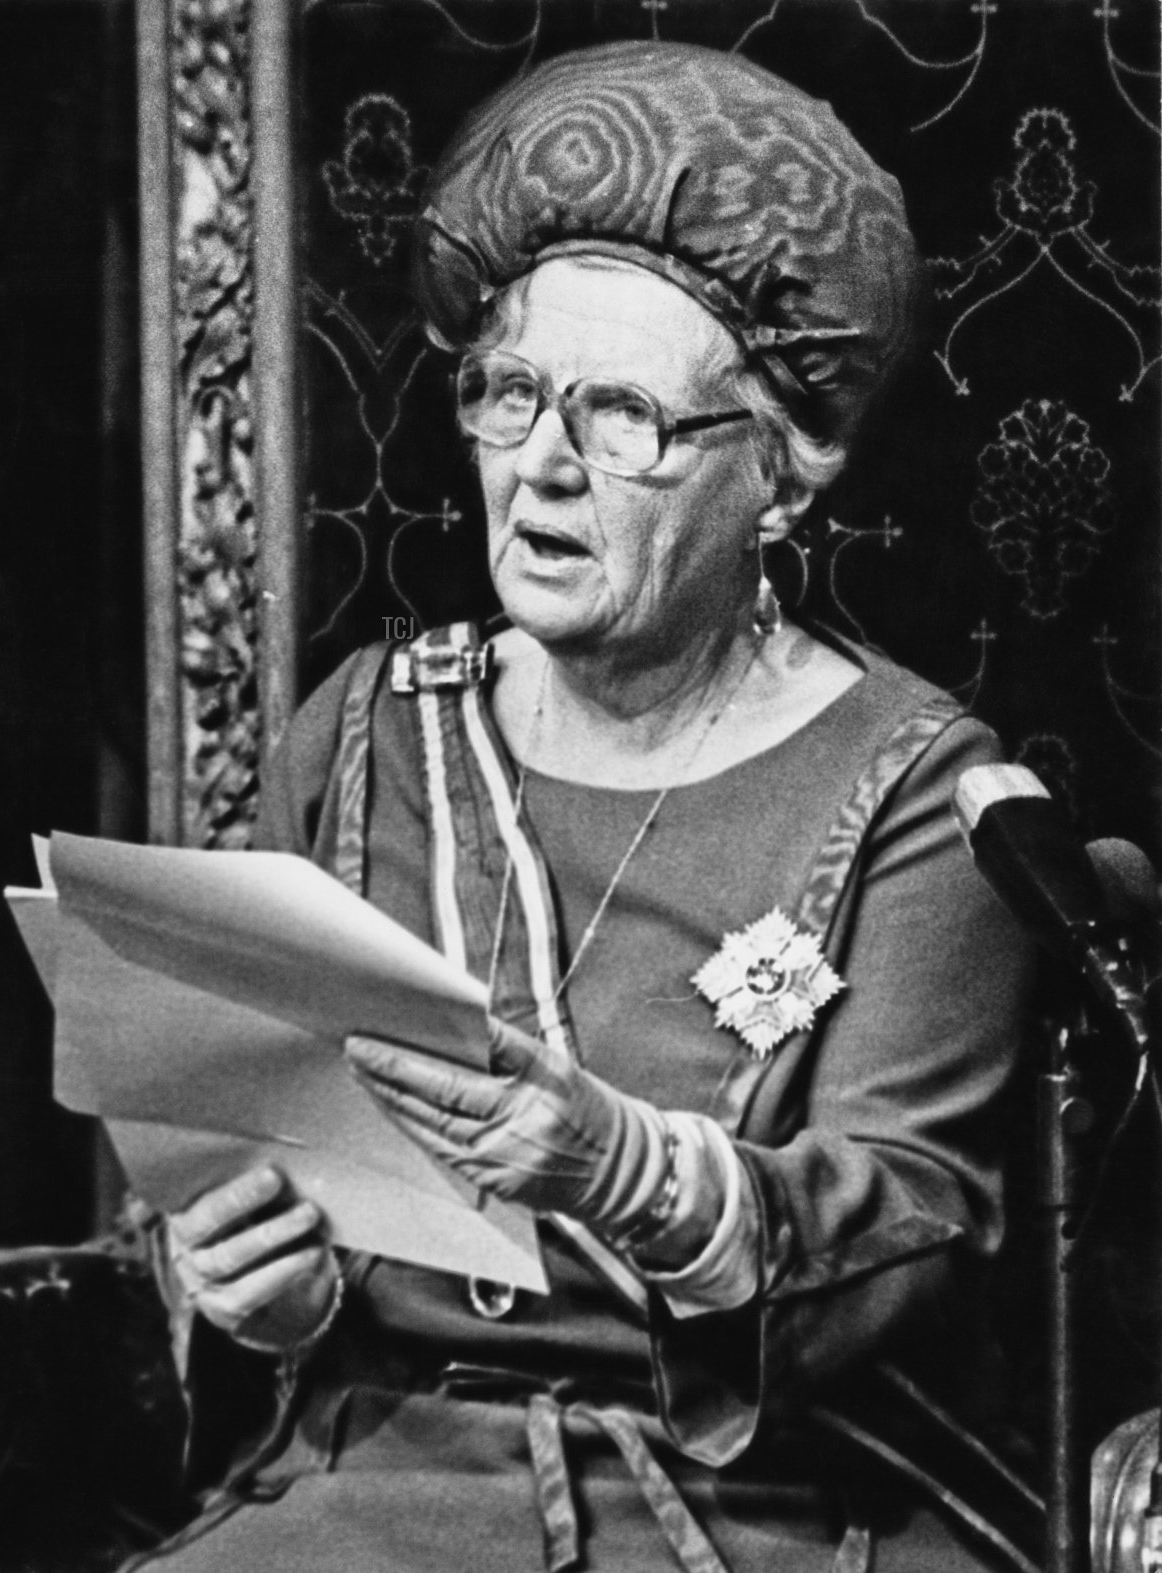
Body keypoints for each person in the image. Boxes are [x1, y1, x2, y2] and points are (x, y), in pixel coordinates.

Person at [138, 40, 1037, 1573]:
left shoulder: (928, 794)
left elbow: (915, 1237)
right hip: (381, 1478)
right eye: (510, 394)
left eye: (621, 415)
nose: (542, 467)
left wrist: (619, 1165)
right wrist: (251, 1290)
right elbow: (249, 1155)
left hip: (772, 1514)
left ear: (783, 476)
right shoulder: (361, 736)